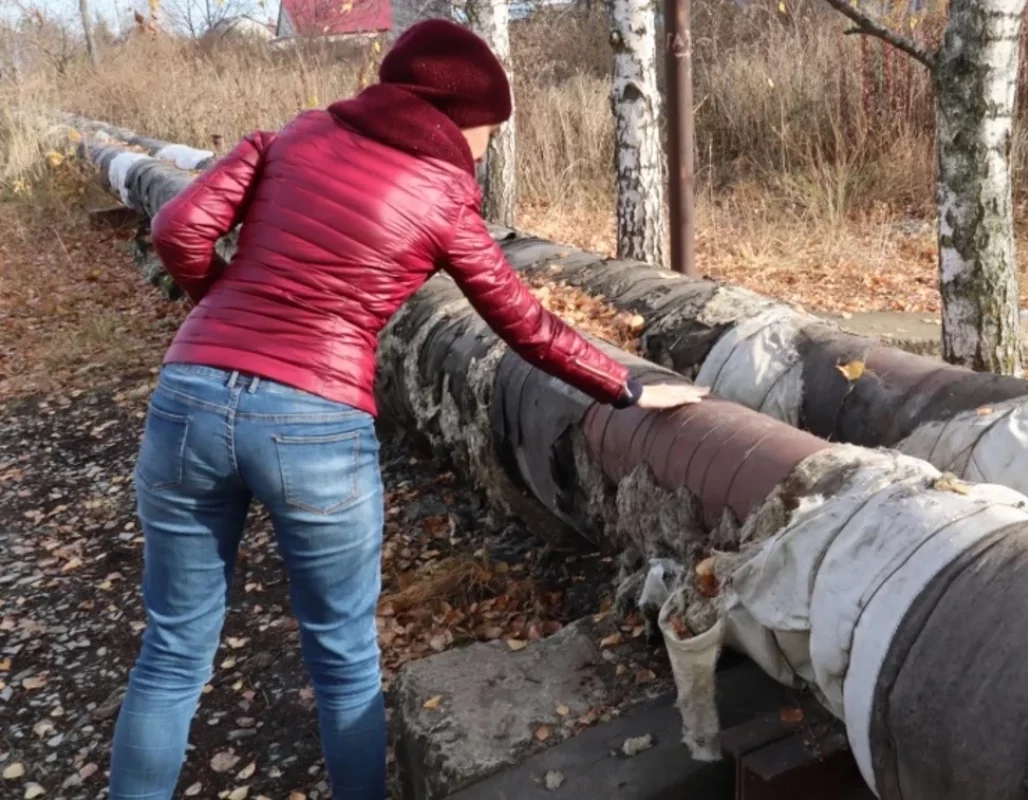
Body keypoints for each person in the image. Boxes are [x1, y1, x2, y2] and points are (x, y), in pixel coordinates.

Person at [107, 17, 706, 800]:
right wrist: (626, 385)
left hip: (189, 396)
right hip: (313, 424)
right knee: (344, 659)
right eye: (490, 130)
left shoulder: (298, 132)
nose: (489, 147)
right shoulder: (444, 192)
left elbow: (179, 225)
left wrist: (219, 307)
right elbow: (523, 322)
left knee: (175, 649)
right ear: (459, 118)